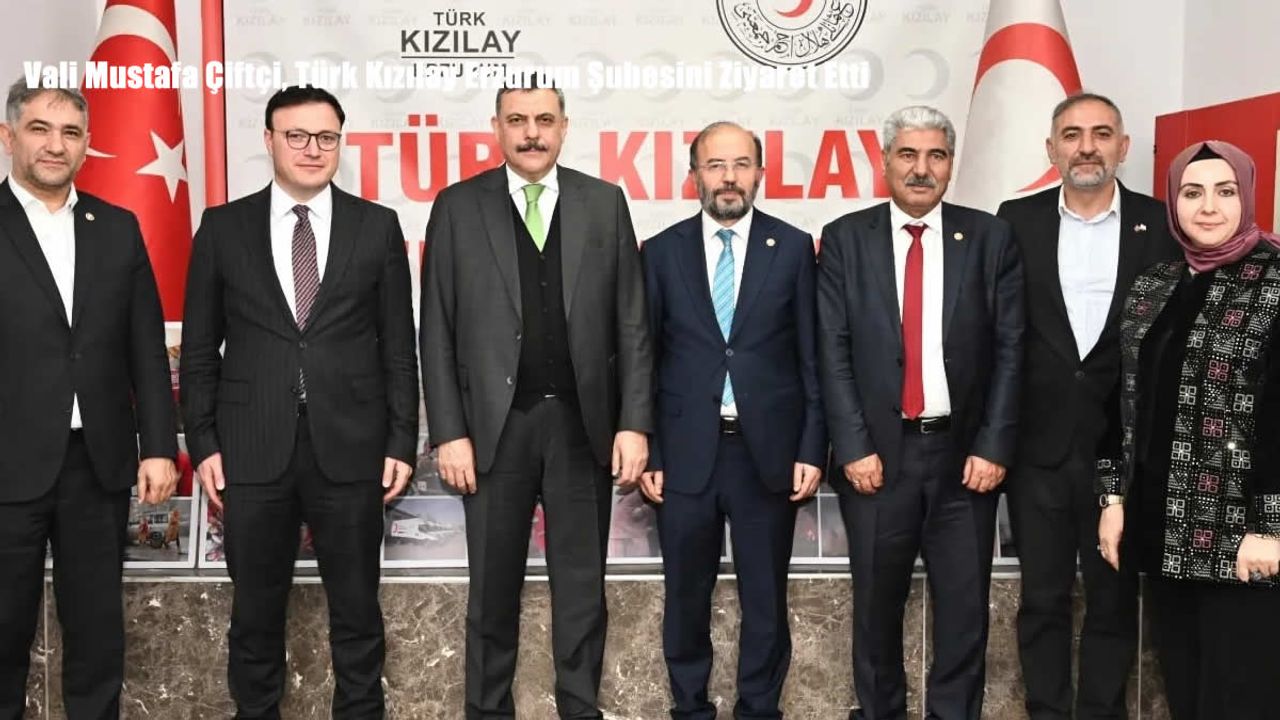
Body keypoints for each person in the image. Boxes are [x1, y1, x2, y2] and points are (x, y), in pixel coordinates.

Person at [181, 85, 418, 719]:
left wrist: (401, 440)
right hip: (251, 450)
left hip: (353, 448)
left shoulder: (377, 226)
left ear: (340, 142)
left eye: (326, 137)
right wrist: (202, 443)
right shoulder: (223, 228)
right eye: (297, 136)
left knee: (357, 613)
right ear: (268, 140)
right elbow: (199, 350)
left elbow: (399, 347)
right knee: (255, 614)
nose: (313, 149)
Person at [419, 83, 652, 719]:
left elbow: (632, 323)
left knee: (582, 592)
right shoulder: (458, 207)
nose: (531, 133)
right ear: (496, 127)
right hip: (493, 433)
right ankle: (487, 711)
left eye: (544, 120)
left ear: (564, 127)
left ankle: (580, 708)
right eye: (517, 120)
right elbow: (436, 327)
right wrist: (449, 432)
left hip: (583, 428)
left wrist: (634, 424)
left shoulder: (603, 202)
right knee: (491, 593)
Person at [817, 105, 1024, 720]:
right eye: (908, 154)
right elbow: (832, 351)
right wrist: (853, 446)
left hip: (965, 461)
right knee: (876, 611)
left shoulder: (989, 238)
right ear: (884, 162)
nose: (921, 168)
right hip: (878, 459)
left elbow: (1012, 349)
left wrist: (993, 444)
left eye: (936, 155)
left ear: (951, 164)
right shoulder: (845, 238)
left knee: (964, 612)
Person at [996, 93, 1179, 719]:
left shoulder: (1162, 224)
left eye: (1102, 134)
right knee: (1041, 600)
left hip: (1124, 455)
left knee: (1113, 600)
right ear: (1051, 149)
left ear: (1123, 147)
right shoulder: (1015, 220)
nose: (1087, 147)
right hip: (1037, 450)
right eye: (1072, 135)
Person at [0, 79, 178, 718]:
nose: (56, 145)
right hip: (7, 466)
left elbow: (146, 350)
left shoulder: (117, 228)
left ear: (87, 145)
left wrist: (158, 446)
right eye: (40, 129)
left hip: (97, 466)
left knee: (98, 635)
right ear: (8, 136)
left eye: (70, 133)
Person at [639, 121, 825, 719]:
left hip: (765, 455)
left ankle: (759, 709)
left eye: (741, 164)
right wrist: (652, 451)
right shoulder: (661, 252)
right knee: (684, 599)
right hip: (684, 455)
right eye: (715, 165)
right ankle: (690, 708)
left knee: (765, 601)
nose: (728, 177)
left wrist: (812, 447)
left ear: (760, 173)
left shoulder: (792, 248)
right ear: (694, 174)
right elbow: (645, 359)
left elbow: (812, 357)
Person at [1096, 140, 1280, 720]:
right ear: (1173, 202)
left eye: (1225, 192)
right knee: (1185, 688)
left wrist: (1269, 528)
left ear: (1247, 197)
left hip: (1243, 536)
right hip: (1163, 528)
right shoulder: (1154, 285)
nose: (1208, 207)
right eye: (1192, 193)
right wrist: (1113, 500)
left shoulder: (1274, 281)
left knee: (1242, 694)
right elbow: (1120, 403)